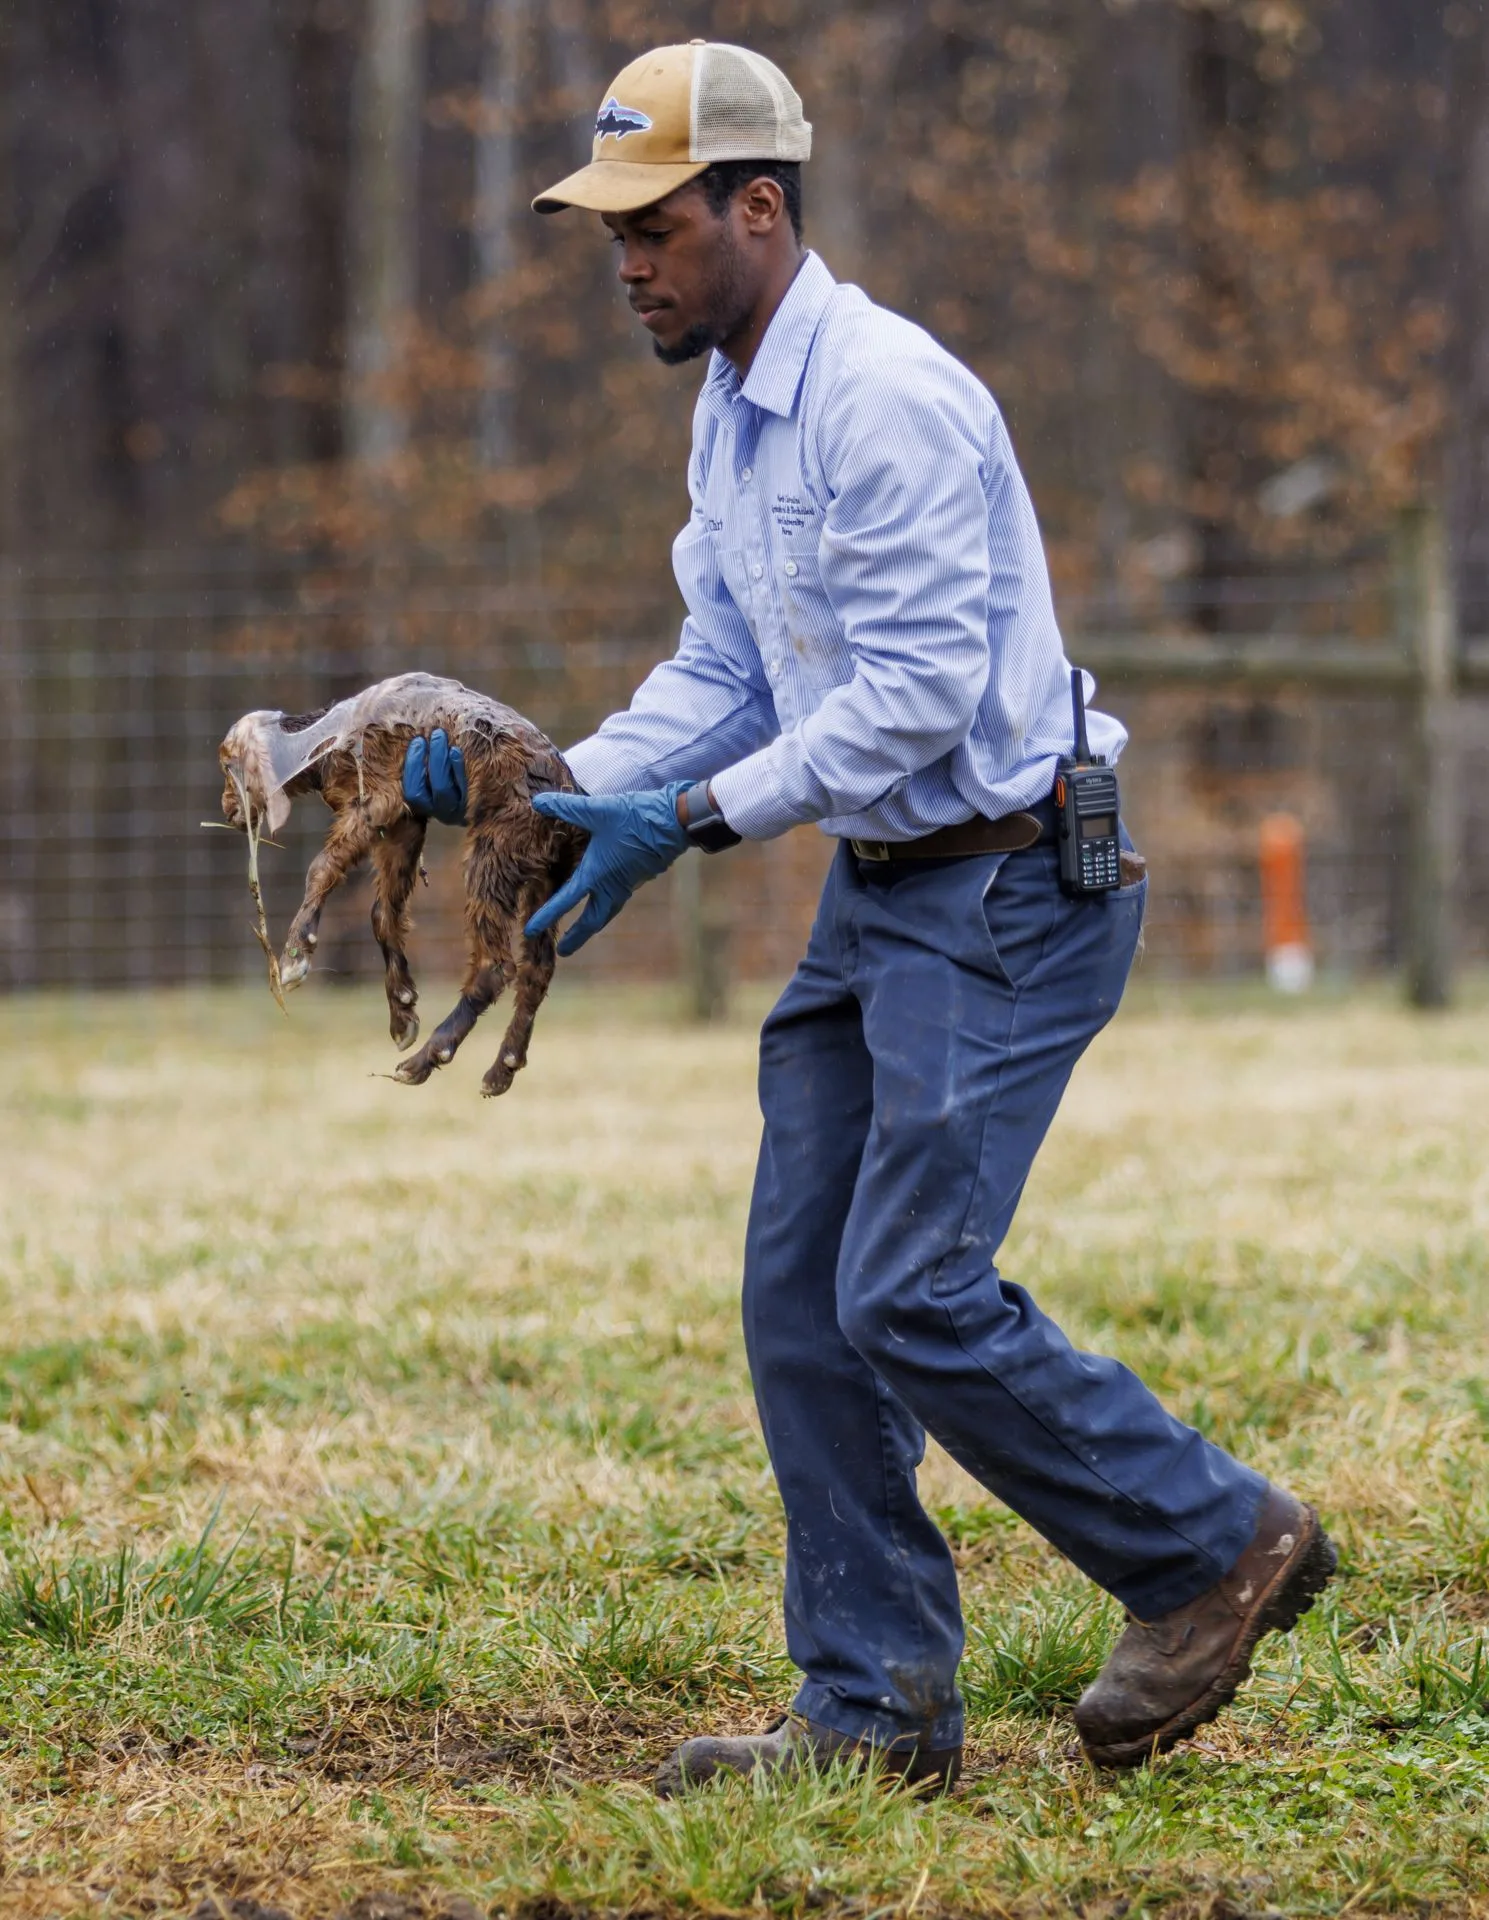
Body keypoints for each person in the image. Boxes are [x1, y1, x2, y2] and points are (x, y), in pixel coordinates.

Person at [402, 40, 1336, 1792]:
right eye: (610, 231)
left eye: (655, 225)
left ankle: (1213, 1544)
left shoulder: (882, 398)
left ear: (760, 207)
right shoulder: (735, 405)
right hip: (890, 885)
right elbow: (731, 667)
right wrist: (562, 782)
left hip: (1009, 878)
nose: (626, 264)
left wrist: (686, 819)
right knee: (800, 1300)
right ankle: (874, 1714)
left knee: (907, 1291)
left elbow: (909, 699)